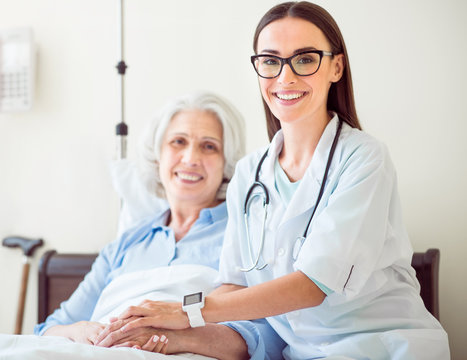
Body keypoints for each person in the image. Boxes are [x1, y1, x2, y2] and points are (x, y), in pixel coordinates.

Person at [110, 2, 451, 359]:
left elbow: (313, 285)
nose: (285, 77)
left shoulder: (364, 158)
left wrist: (186, 311)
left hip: (382, 347)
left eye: (304, 59)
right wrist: (166, 325)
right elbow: (234, 283)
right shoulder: (249, 173)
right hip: (300, 353)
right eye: (271, 61)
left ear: (336, 66)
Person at [35, 91, 284, 359]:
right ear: (158, 155)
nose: (190, 158)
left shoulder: (249, 235)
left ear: (227, 163)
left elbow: (269, 339)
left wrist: (180, 338)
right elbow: (47, 330)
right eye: (178, 142)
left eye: (209, 146)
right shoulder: (126, 245)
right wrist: (81, 332)